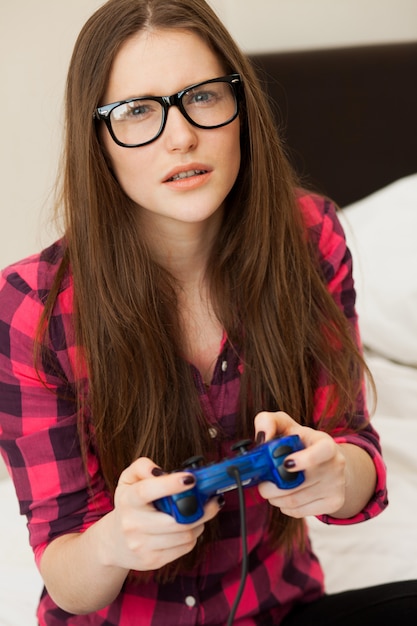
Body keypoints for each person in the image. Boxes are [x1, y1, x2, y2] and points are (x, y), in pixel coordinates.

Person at [0, 0, 416, 624]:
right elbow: (69, 581)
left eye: (204, 97)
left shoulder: (311, 239)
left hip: (278, 611)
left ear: (240, 107)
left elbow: (355, 454)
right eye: (138, 111)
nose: (182, 135)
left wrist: (336, 472)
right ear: (98, 141)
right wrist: (117, 541)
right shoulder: (32, 305)